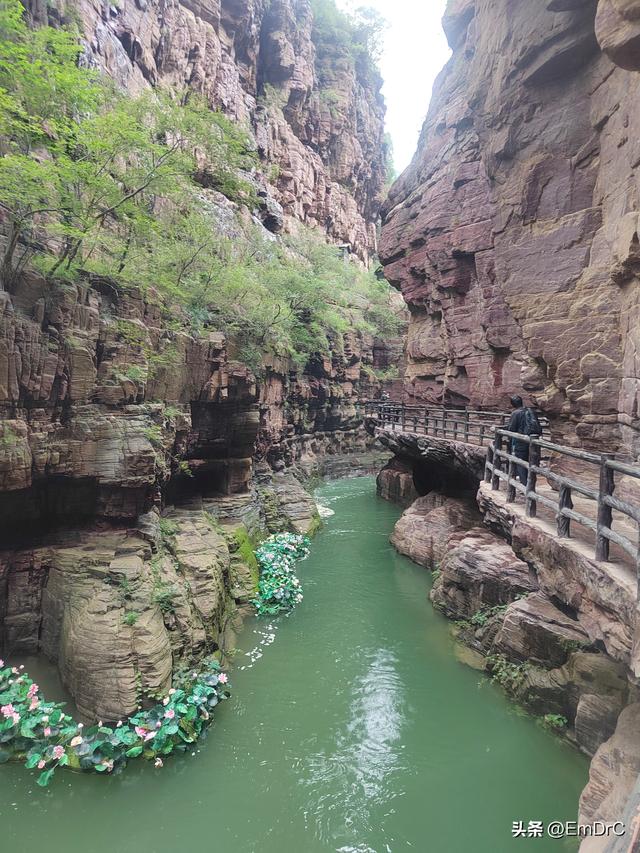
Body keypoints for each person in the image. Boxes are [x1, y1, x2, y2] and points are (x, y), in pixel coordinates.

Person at [506, 395, 542, 484]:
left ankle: (525, 485)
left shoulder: (516, 413)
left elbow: (512, 429)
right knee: (531, 462)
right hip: (533, 440)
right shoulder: (530, 411)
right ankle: (531, 483)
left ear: (513, 404)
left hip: (521, 441)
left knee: (520, 462)